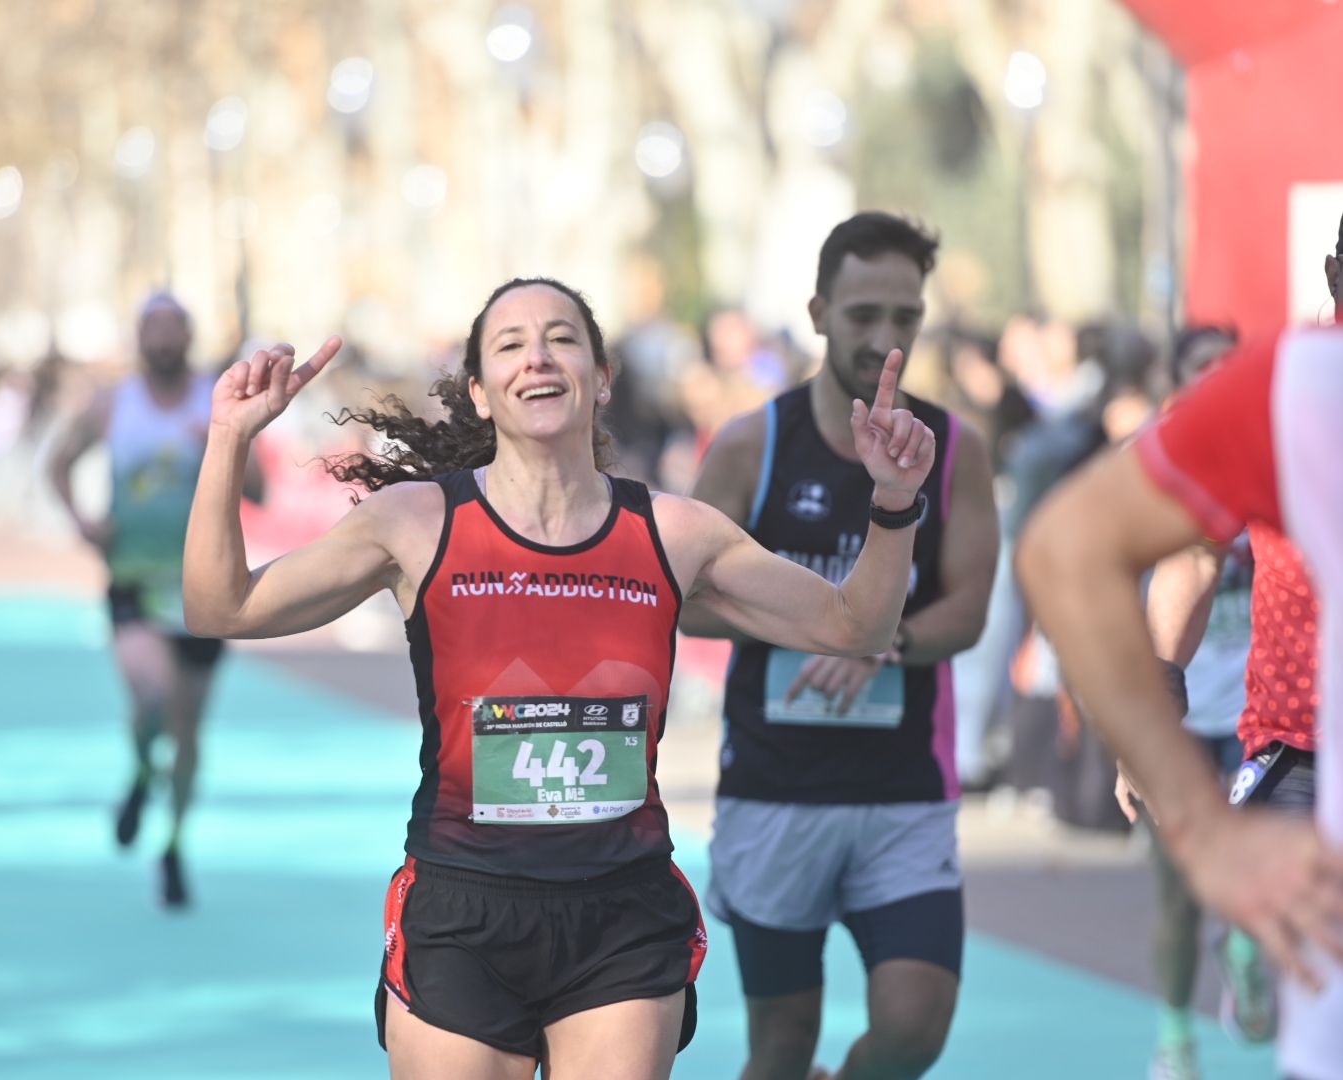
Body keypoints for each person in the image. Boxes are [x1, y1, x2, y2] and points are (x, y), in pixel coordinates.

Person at [181, 277, 937, 1080]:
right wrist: (228, 437)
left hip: (622, 913)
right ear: (479, 391)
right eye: (509, 345)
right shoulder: (414, 522)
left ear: (602, 376)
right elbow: (220, 606)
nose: (536, 357)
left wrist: (893, 502)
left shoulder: (674, 532)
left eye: (562, 338)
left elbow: (858, 626)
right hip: (462, 907)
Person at [683, 212, 999, 1080]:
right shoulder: (755, 443)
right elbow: (683, 601)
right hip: (776, 787)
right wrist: (816, 621)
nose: (885, 337)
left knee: (914, 1027)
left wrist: (877, 644)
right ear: (819, 312)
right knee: (781, 1048)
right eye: (864, 314)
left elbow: (969, 612)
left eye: (906, 316)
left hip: (904, 791)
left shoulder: (954, 448)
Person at [1017, 327, 1343, 1080]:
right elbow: (1073, 549)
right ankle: (1180, 1032)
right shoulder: (1300, 388)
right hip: (1291, 739)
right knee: (1189, 889)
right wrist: (1161, 735)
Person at [48, 291, 262, 909]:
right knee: (152, 695)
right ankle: (143, 771)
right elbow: (56, 463)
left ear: (189, 337)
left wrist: (224, 446)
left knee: (190, 734)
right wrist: (83, 522)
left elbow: (262, 489)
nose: (164, 339)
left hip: (203, 589)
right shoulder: (113, 404)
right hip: (135, 581)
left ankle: (173, 843)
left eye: (175, 328)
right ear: (139, 339)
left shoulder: (214, 403)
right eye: (153, 328)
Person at [1115, 326, 1268, 1080]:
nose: (1218, 383)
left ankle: (1246, 948)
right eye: (1201, 372)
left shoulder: (1277, 450)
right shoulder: (1150, 467)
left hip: (1260, 714)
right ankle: (1174, 1037)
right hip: (1179, 709)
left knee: (1260, 874)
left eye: (1226, 371)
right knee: (1177, 890)